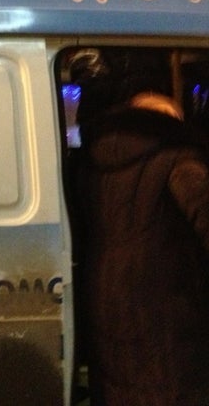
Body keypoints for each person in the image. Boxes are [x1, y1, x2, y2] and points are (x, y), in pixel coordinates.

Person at [79, 91, 209, 405]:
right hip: (170, 310)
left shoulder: (90, 163)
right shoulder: (180, 160)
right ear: (169, 123)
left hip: (106, 303)